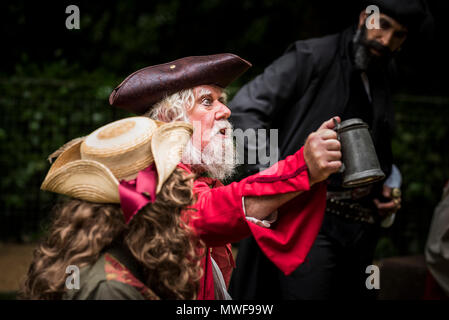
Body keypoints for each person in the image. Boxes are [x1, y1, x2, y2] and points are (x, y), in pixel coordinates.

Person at [22, 54, 342, 300]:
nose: (225, 110)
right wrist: (304, 166)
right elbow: (209, 211)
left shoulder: (195, 177)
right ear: (169, 120)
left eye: (223, 100)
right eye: (207, 101)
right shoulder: (149, 179)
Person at [228, 0, 430, 299]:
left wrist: (390, 182)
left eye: (398, 35)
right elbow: (245, 111)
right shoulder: (311, 56)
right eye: (382, 25)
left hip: (359, 227)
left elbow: (377, 140)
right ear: (365, 17)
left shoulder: (384, 71)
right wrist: (274, 176)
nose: (386, 40)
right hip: (305, 222)